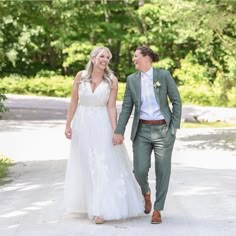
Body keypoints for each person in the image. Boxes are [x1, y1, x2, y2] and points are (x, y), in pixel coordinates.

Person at [64, 46, 144, 224]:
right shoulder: (80, 77)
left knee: (102, 163)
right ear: (93, 58)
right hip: (82, 124)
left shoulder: (112, 80)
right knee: (85, 163)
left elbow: (111, 107)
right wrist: (68, 124)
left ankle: (101, 210)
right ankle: (89, 204)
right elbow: (74, 101)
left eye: (108, 57)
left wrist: (116, 131)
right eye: (102, 56)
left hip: (102, 124)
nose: (105, 60)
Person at [113, 46, 182, 224]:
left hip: (163, 130)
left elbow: (176, 101)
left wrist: (173, 126)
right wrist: (119, 130)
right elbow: (127, 107)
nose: (134, 59)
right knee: (140, 170)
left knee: (163, 171)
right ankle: (146, 193)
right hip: (141, 130)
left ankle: (158, 209)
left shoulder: (163, 75)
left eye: (136, 56)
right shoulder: (131, 80)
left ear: (147, 57)